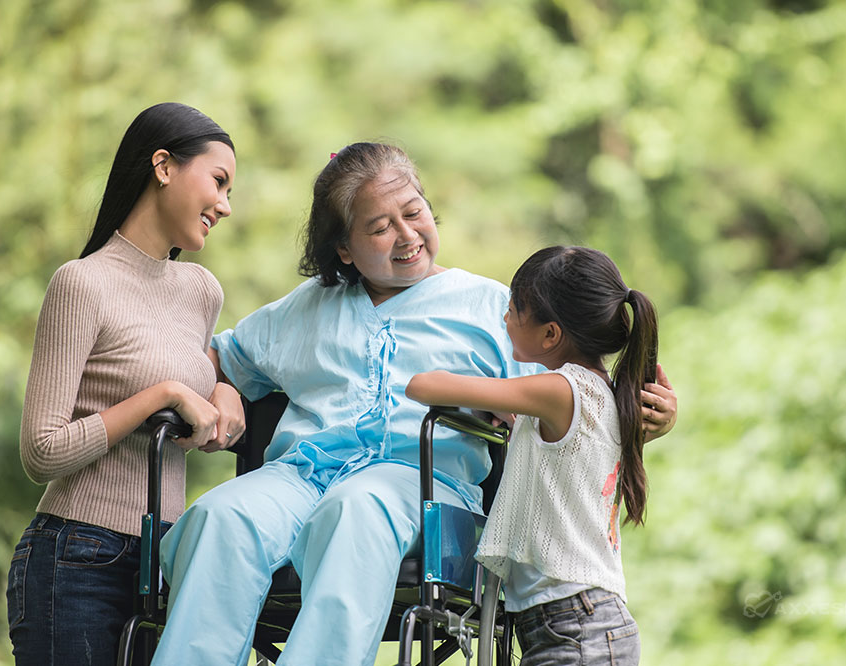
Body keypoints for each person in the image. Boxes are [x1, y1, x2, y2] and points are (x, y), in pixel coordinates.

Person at [152, 142, 677, 666]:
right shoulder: (307, 307)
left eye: (414, 212)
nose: (406, 236)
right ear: (344, 249)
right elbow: (220, 357)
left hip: (421, 486)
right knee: (220, 517)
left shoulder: (495, 308)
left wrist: (652, 415)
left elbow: (578, 404)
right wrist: (223, 386)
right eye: (380, 228)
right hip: (300, 476)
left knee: (356, 508)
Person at [6, 102, 245, 666]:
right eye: (218, 181)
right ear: (163, 166)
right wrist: (160, 396)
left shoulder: (201, 290)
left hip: (164, 559)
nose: (226, 205)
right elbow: (40, 451)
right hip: (76, 557)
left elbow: (201, 366)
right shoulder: (81, 284)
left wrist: (225, 387)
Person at [406, 245, 660, 665]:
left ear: (550, 334)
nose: (505, 318)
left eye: (514, 308)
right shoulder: (600, 395)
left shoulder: (557, 389)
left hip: (574, 624)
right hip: (581, 620)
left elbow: (423, 386)